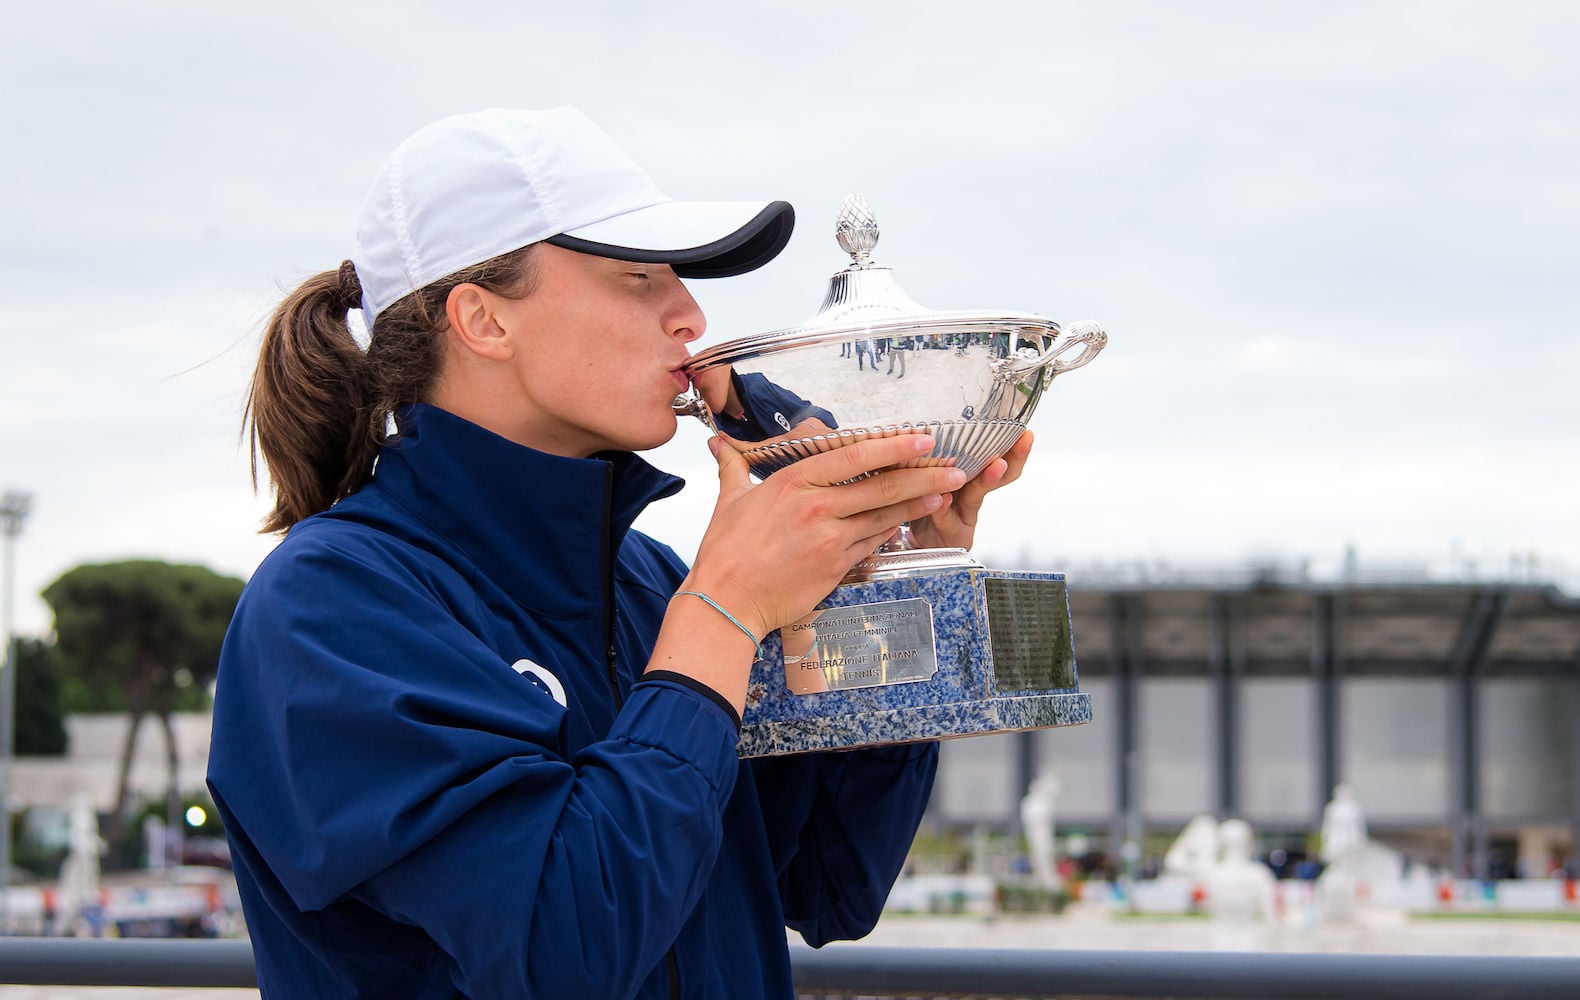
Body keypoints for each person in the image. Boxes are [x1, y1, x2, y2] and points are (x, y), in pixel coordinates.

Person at [206, 106, 1032, 998]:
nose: (691, 314)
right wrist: (721, 618)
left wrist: (886, 578)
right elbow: (561, 948)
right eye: (640, 278)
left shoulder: (649, 583)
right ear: (483, 320)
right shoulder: (329, 608)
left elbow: (830, 883)